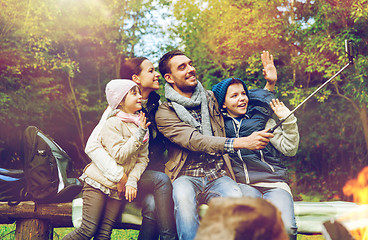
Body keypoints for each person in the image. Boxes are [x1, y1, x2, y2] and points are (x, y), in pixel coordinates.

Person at [155, 50, 275, 240]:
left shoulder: (210, 98)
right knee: (183, 200)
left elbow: (241, 99)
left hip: (219, 174)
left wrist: (269, 84)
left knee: (235, 199)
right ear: (169, 77)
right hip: (185, 176)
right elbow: (196, 140)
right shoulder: (165, 112)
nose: (191, 69)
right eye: (182, 67)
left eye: (190, 64)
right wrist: (242, 142)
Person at [82, 57, 177, 240]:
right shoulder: (114, 112)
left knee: (152, 204)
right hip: (123, 175)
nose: (157, 74)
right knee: (159, 182)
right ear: (136, 78)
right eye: (150, 70)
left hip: (143, 172)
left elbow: (151, 151)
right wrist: (120, 176)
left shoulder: (157, 106)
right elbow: (92, 146)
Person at [212, 77, 299, 240]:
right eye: (234, 95)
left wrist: (288, 120)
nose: (241, 98)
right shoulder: (219, 127)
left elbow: (290, 149)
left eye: (243, 93)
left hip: (274, 183)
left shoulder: (264, 121)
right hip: (243, 185)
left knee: (286, 228)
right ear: (223, 104)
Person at [63, 79, 150, 239]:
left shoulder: (141, 125)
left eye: (139, 92)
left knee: (104, 234)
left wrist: (132, 180)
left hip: (118, 188)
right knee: (87, 230)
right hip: (99, 183)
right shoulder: (112, 122)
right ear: (121, 101)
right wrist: (139, 134)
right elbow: (120, 155)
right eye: (134, 93)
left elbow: (143, 159)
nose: (140, 96)